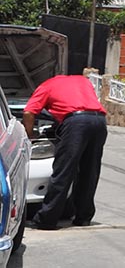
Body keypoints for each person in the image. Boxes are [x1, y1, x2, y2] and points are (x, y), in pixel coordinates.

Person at [23, 73, 108, 230]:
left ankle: (47, 219)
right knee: (89, 172)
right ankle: (83, 217)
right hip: (99, 121)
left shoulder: (46, 86)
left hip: (76, 123)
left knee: (63, 171)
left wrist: (29, 135)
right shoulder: (83, 81)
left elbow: (28, 112)